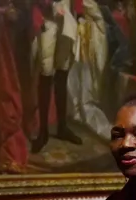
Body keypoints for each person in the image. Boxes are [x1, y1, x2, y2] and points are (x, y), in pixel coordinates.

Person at [31, 0, 84, 153]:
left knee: (63, 72)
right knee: (46, 73)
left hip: (67, 15)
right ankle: (43, 132)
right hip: (47, 16)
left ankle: (62, 127)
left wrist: (79, 14)